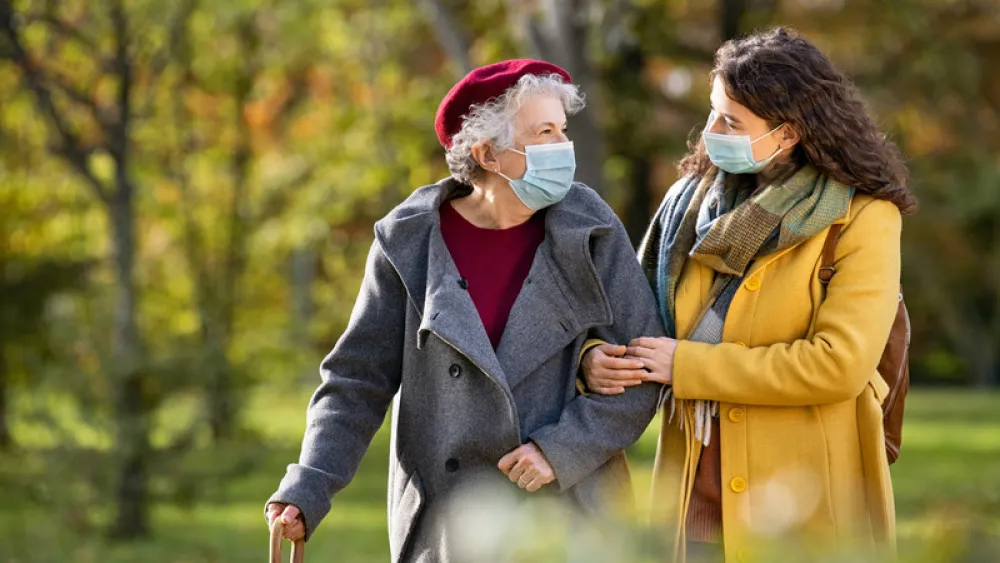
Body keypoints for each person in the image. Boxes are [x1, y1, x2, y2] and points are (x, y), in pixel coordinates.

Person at [265, 59, 664, 562]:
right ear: (487, 154)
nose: (563, 147)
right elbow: (356, 383)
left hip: (574, 515)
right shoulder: (407, 241)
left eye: (562, 131)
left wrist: (560, 450)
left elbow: (645, 365)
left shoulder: (590, 227)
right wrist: (308, 485)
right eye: (544, 132)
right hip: (449, 522)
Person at [581, 28, 917, 562]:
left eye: (731, 121)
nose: (710, 131)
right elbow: (629, 320)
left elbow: (839, 365)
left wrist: (689, 367)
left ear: (787, 134)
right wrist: (593, 360)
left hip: (803, 503)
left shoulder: (863, 219)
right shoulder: (689, 208)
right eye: (713, 112)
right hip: (692, 494)